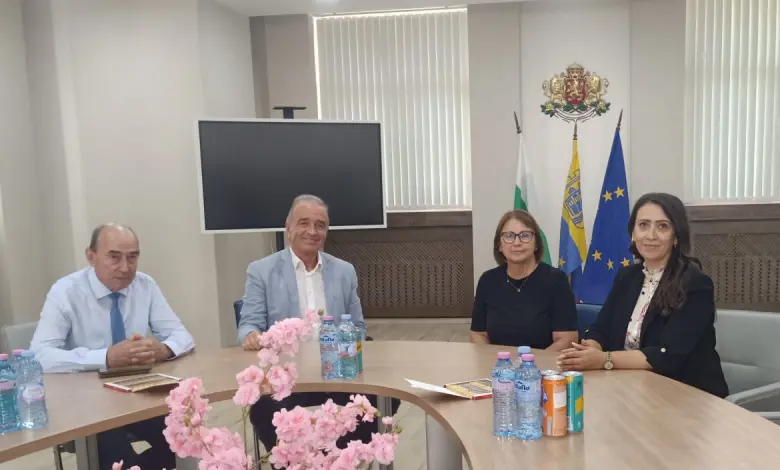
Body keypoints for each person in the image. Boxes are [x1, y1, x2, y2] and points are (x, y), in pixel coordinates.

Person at [30, 223, 194, 470]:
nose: (125, 267)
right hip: (87, 402)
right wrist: (105, 357)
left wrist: (162, 349)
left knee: (190, 437)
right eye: (114, 257)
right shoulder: (65, 292)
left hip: (139, 393)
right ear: (91, 256)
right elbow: (39, 356)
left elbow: (182, 336)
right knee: (118, 456)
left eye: (133, 257)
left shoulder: (145, 285)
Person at [239, 194, 394, 452]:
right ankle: (295, 462)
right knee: (264, 410)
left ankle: (339, 459)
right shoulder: (261, 271)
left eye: (320, 225)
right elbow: (248, 325)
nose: (312, 231)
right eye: (304, 223)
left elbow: (358, 327)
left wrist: (349, 347)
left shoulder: (344, 271)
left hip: (338, 373)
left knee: (385, 399)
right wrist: (251, 335)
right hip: (287, 378)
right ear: (288, 228)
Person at [557, 193, 729, 398]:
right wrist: (590, 348)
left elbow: (668, 354)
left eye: (662, 226)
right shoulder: (628, 276)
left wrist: (604, 359)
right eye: (643, 225)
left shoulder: (695, 284)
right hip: (631, 386)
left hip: (688, 393)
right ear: (633, 233)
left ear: (676, 236)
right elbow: (601, 328)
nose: (651, 235)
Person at [471, 210, 578, 351]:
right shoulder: (488, 281)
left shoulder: (556, 281)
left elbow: (567, 339)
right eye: (509, 236)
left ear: (536, 243)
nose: (517, 243)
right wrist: (494, 360)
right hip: (498, 363)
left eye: (525, 236)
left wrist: (532, 362)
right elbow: (478, 334)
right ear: (499, 245)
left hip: (543, 362)